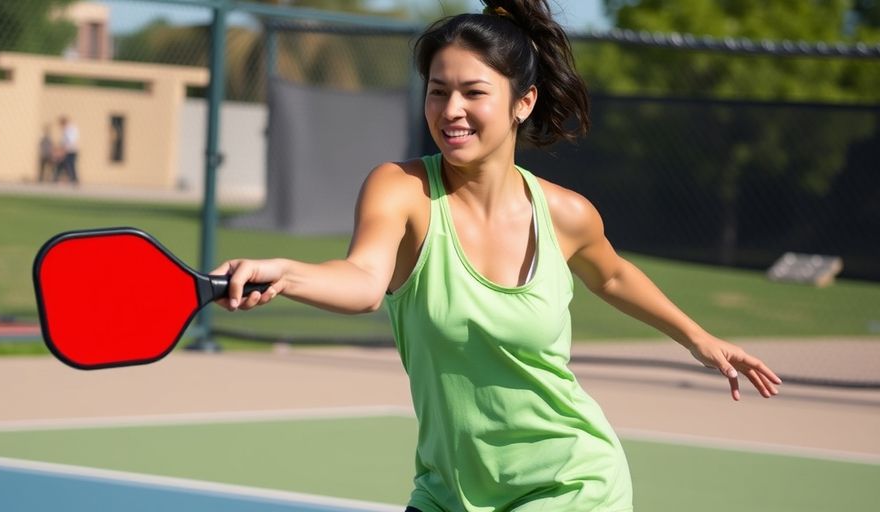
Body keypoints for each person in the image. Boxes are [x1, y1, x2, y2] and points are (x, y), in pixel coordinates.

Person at [214, 1, 782, 511]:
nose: (450, 109)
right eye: (438, 90)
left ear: (522, 102)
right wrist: (288, 272)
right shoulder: (400, 189)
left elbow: (611, 276)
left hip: (568, 485)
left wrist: (698, 339)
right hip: (447, 489)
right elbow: (364, 279)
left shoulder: (566, 215)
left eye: (473, 92)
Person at [54, 115, 80, 185]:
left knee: (70, 165)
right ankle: (69, 179)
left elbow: (69, 141)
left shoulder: (70, 129)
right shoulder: (66, 130)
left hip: (71, 150)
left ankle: (74, 179)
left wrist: (63, 150)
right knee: (63, 165)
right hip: (67, 150)